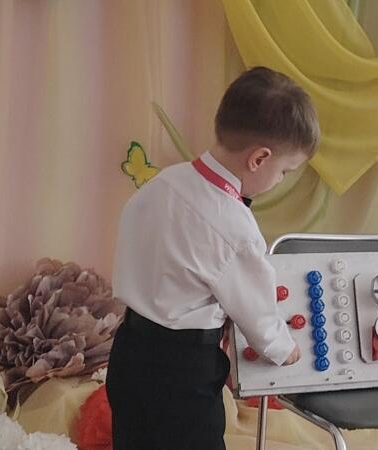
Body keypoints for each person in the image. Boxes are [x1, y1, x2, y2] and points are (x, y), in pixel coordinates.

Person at [107, 66, 319, 449]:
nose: (280, 181)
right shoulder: (233, 225)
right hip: (183, 369)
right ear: (259, 159)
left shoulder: (161, 183)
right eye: (284, 171)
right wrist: (284, 349)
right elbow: (258, 314)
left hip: (129, 351)